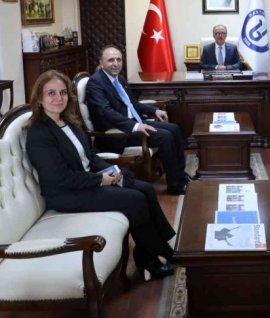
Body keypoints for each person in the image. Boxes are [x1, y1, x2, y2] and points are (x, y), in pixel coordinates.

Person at [25, 70, 177, 280]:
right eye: (51, 93)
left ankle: (163, 248)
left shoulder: (68, 122)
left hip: (86, 181)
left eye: (63, 92)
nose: (58, 98)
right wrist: (99, 180)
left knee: (145, 188)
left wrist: (114, 171)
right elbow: (59, 178)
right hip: (67, 194)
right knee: (135, 200)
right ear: (39, 98)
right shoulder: (39, 134)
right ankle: (149, 258)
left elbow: (91, 156)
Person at [85, 45, 189, 195]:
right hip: (117, 133)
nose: (116, 63)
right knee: (165, 136)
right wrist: (135, 126)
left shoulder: (119, 79)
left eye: (119, 59)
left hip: (132, 123)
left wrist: (154, 110)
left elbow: (132, 104)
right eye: (111, 60)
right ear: (101, 62)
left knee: (174, 128)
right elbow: (105, 112)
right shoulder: (95, 83)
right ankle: (175, 185)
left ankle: (181, 176)